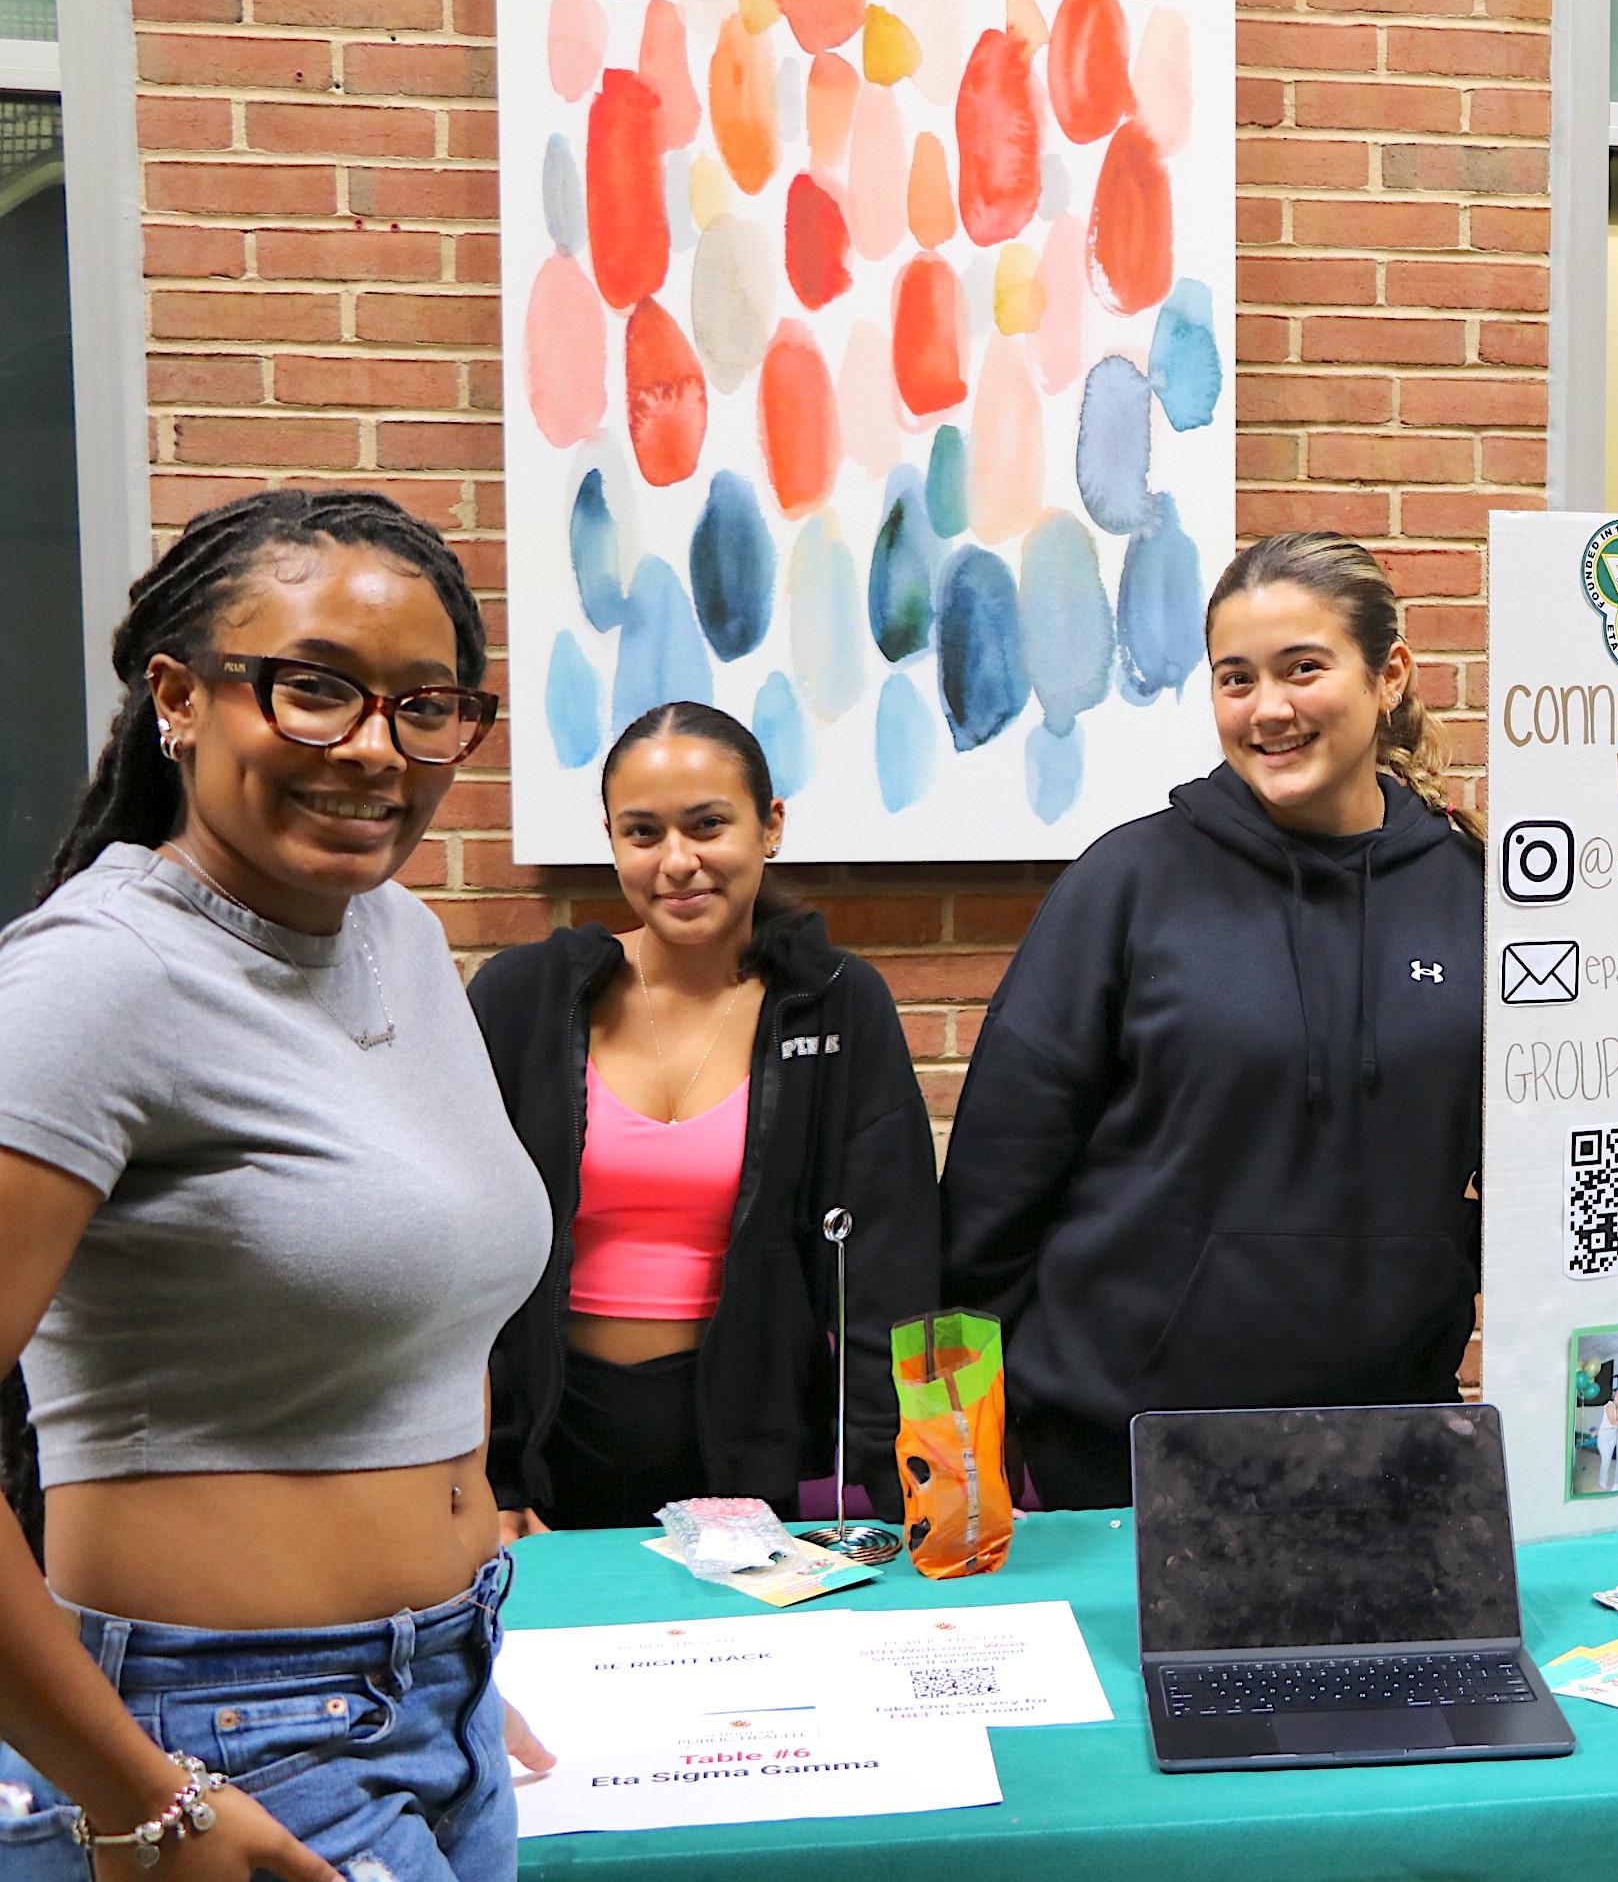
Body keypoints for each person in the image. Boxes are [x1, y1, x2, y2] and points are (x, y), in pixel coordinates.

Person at [0, 490, 552, 1882]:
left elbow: (419, 1308)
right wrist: (136, 1796)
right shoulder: (94, 980)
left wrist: (440, 1654)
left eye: (425, 706)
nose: (375, 749)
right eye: (315, 690)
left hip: (439, 1698)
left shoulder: (404, 937)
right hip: (211, 1739)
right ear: (177, 697)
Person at [941, 532, 1486, 1508]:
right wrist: (980, 1435)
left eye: (1303, 669)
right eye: (1236, 679)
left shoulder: (1473, 896)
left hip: (1389, 1449)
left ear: (1389, 674)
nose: (1267, 708)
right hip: (1123, 1456)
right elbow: (990, 1200)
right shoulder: (1127, 886)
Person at [470, 703, 939, 1533]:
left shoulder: (834, 1004)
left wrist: (907, 1492)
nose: (677, 862)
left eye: (708, 825)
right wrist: (487, 1475)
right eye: (643, 833)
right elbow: (459, 1260)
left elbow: (886, 1267)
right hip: (545, 1453)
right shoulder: (522, 999)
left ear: (771, 828)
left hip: (742, 1448)